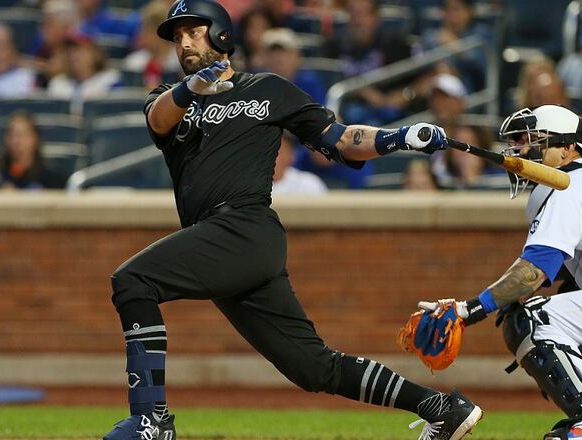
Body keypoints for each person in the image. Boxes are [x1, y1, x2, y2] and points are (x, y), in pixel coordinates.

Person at [102, 2, 483, 440]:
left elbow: (341, 138)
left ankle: (150, 420)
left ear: (221, 33)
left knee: (133, 281)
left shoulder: (267, 88)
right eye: (177, 36)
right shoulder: (171, 97)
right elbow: (158, 119)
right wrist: (192, 87)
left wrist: (401, 136)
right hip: (220, 239)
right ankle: (442, 408)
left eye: (193, 31)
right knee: (313, 367)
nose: (184, 42)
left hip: (246, 228)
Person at [418, 105, 582, 439]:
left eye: (534, 142)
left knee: (531, 319)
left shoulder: (568, 187)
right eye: (520, 142)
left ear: (568, 148)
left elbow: (535, 270)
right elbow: (568, 271)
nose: (523, 151)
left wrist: (468, 310)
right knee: (566, 305)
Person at [48, 34, 121, 114]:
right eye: (70, 51)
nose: (74, 56)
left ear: (95, 54)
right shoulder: (58, 83)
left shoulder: (111, 80)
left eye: (80, 50)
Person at [0, 111, 67, 190]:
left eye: (21, 135)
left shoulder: (52, 176)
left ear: (35, 139)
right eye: (11, 136)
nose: (16, 142)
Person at [123, 1, 181, 90]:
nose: (143, 35)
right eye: (144, 30)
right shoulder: (133, 62)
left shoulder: (179, 62)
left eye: (150, 32)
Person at [260, 27, 326, 104]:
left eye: (284, 54)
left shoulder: (309, 82)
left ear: (297, 56)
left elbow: (319, 109)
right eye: (272, 55)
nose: (278, 59)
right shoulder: (260, 81)